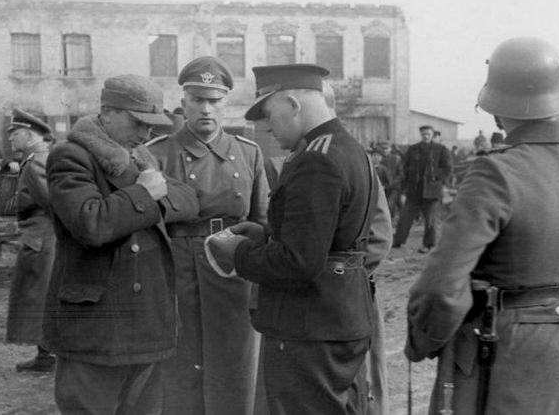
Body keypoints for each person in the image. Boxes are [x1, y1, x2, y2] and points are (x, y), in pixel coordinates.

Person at [405, 37, 559, 414]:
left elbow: (441, 284)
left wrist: (423, 340)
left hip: (505, 355)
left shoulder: (496, 172)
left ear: (496, 106)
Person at [207, 63, 392, 414]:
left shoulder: (314, 161)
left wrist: (240, 253)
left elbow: (299, 263)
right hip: (343, 317)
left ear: (292, 104)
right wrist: (265, 235)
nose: (265, 126)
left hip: (310, 327)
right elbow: (336, 238)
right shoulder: (350, 149)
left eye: (268, 113)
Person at [43, 74, 199, 414]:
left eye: (152, 125)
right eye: (139, 122)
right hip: (96, 328)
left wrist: (144, 198)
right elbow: (91, 224)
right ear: (108, 113)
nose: (146, 135)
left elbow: (189, 200)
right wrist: (145, 194)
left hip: (146, 327)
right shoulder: (71, 156)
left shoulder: (139, 158)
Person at [145, 56, 269, 415]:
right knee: (181, 366)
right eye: (197, 100)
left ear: (226, 104)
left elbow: (262, 222)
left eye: (214, 101)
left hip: (233, 268)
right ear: (183, 102)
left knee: (235, 364)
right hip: (177, 269)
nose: (206, 109)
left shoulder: (249, 153)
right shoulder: (158, 154)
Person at [5, 108, 57, 372]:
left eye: (15, 135)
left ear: (29, 135)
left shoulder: (36, 161)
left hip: (43, 241)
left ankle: (48, 356)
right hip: (42, 240)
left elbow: (51, 203)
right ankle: (46, 354)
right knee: (42, 297)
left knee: (42, 298)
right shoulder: (37, 159)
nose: (11, 140)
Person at [392, 124, 452, 253]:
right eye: (423, 134)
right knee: (404, 218)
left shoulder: (441, 150)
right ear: (420, 135)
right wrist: (404, 187)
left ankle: (428, 245)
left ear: (432, 135)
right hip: (414, 190)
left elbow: (448, 169)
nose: (425, 136)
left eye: (428, 134)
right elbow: (405, 168)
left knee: (430, 221)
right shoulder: (413, 149)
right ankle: (397, 242)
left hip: (432, 191)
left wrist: (435, 177)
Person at [375, 141, 404, 221]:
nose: (384, 150)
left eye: (386, 148)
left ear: (390, 149)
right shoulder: (379, 159)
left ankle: (392, 220)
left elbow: (401, 174)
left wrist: (393, 183)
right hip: (385, 187)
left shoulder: (396, 159)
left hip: (394, 186)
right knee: (396, 203)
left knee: (391, 204)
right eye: (382, 148)